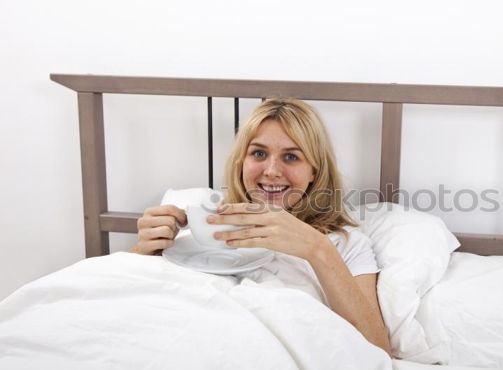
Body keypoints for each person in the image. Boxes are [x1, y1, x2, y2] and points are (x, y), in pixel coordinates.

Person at [129, 98, 391, 356]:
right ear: (242, 162)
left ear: (314, 171)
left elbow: (378, 349)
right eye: (259, 153)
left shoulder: (343, 244)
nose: (272, 170)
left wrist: (318, 249)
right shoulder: (201, 222)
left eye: (291, 156)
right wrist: (142, 251)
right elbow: (130, 297)